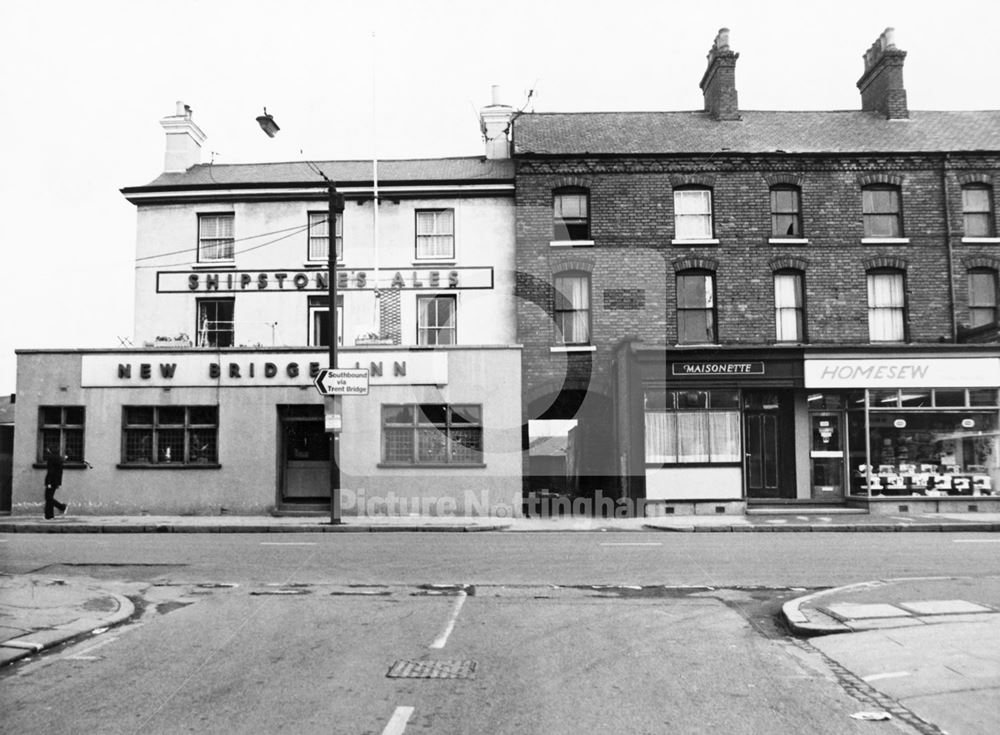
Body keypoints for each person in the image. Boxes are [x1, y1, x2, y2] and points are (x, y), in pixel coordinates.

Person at [44, 449, 68, 519]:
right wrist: (58, 483)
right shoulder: (59, 459)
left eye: (48, 450)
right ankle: (49, 515)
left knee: (48, 497)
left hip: (51, 481)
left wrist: (48, 482)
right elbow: (60, 472)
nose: (47, 451)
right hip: (55, 481)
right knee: (49, 497)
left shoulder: (51, 458)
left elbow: (50, 471)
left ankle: (62, 507)